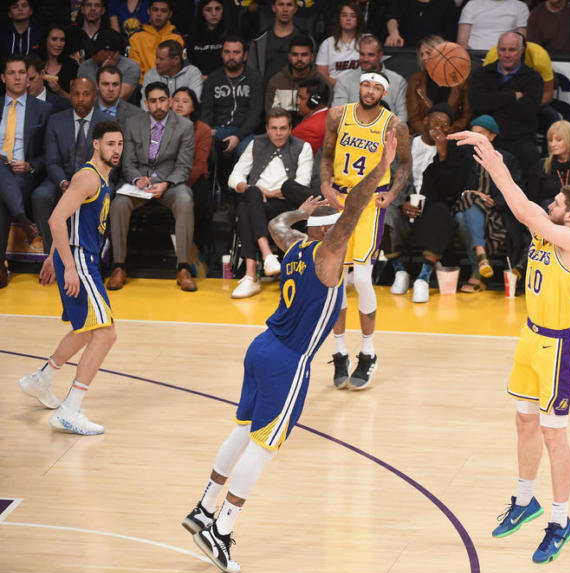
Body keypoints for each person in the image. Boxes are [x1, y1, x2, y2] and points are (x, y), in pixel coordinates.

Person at [183, 130, 397, 573]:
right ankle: (220, 529)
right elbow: (356, 204)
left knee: (243, 431)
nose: (345, 227)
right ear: (333, 234)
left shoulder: (296, 244)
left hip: (261, 347)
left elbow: (278, 224)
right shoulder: (329, 256)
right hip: (288, 362)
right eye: (339, 227)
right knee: (263, 448)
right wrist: (379, 169)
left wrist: (301, 211)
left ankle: (204, 507)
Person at [449, 127, 570, 565]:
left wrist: (495, 164)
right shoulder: (547, 227)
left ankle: (560, 519)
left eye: (558, 204)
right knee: (524, 423)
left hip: (558, 348)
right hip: (530, 338)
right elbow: (524, 207)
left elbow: (527, 212)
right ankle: (525, 500)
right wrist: (495, 163)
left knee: (555, 436)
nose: (551, 204)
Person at [17, 120, 124, 435]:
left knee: (85, 330)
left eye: (119, 144)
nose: (116, 150)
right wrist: (69, 264)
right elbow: (55, 218)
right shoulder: (88, 177)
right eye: (110, 144)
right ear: (96, 144)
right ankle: (70, 409)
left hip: (76, 258)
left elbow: (71, 217)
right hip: (79, 260)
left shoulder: (99, 177)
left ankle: (42, 378)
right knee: (106, 334)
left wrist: (53, 257)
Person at [320, 70, 412, 390]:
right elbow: (328, 152)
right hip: (340, 201)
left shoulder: (393, 125)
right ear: (358, 86)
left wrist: (394, 193)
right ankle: (340, 351)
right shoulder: (337, 115)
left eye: (377, 87)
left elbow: (406, 163)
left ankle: (369, 352)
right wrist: (323, 183)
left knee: (360, 278)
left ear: (384, 93)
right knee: (334, 282)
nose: (370, 91)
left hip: (369, 204)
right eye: (366, 84)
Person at [107, 82, 197, 292]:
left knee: (185, 199)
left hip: (169, 183)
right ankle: (118, 266)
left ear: (170, 101)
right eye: (153, 101)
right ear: (146, 103)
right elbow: (126, 162)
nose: (158, 106)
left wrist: (166, 184)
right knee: (119, 203)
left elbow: (184, 166)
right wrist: (137, 179)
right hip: (138, 184)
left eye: (163, 100)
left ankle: (183, 267)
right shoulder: (132, 123)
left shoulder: (184, 126)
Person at [227, 108, 314, 298]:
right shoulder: (256, 143)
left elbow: (301, 183)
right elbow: (235, 175)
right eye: (274, 128)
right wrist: (250, 188)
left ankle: (252, 275)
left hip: (286, 205)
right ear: (267, 128)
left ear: (291, 128)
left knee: (246, 206)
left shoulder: (303, 147)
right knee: (250, 195)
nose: (278, 133)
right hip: (258, 203)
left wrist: (272, 192)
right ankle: (266, 258)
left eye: (283, 128)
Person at [388, 103, 460, 303]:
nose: (438, 127)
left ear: (449, 129)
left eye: (444, 124)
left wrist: (443, 153)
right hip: (401, 204)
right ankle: (399, 271)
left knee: (441, 212)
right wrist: (402, 202)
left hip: (431, 207)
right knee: (383, 212)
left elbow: (451, 190)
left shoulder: (453, 152)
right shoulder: (406, 145)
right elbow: (390, 177)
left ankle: (423, 277)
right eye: (435, 120)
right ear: (425, 120)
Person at [451, 114, 523, 293]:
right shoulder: (467, 158)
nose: (474, 139)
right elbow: (455, 190)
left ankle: (478, 269)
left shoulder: (507, 159)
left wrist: (494, 202)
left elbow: (518, 190)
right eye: (472, 134)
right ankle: (480, 262)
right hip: (471, 209)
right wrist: (475, 195)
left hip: (498, 213)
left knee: (463, 216)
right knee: (466, 205)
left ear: (492, 136)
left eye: (480, 134)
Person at [0, 54, 53, 289]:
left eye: (22, 72)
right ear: (3, 78)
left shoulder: (42, 109)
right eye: (12, 73)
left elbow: (47, 153)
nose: (18, 77)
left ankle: (1, 267)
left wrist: (30, 165)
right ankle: (23, 218)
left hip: (23, 175)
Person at [32, 78, 99, 255]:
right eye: (76, 94)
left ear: (94, 96)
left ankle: (92, 255)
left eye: (86, 94)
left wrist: (84, 185)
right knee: (40, 196)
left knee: (107, 194)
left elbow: (109, 163)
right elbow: (51, 161)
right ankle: (52, 254)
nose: (80, 99)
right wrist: (63, 183)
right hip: (62, 178)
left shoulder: (105, 122)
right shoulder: (56, 120)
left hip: (93, 180)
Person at [469, 31, 543, 183]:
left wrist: (493, 102)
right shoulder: (482, 74)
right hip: (485, 137)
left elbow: (527, 111)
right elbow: (478, 104)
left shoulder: (533, 78)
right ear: (497, 50)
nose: (507, 54)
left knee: (530, 155)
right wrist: (512, 97)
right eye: (503, 50)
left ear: (522, 51)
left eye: (512, 50)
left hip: (519, 137)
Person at [200, 35, 261, 160]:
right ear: (222, 54)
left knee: (247, 153)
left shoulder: (254, 79)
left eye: (236, 52)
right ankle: (213, 180)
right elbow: (206, 111)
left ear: (244, 55)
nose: (231, 57)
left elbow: (255, 113)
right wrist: (206, 131)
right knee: (204, 150)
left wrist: (238, 136)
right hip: (217, 130)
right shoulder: (212, 79)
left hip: (244, 131)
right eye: (227, 52)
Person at [170, 87, 213, 259]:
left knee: (200, 194)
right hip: (166, 177)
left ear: (194, 107)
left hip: (192, 178)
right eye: (176, 100)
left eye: (185, 101)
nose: (179, 105)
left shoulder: (202, 129)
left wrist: (177, 183)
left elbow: (199, 164)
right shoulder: (161, 126)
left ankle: (196, 254)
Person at [331, 34, 408, 123]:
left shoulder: (398, 81)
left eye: (371, 55)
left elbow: (402, 116)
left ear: (380, 55)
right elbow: (337, 115)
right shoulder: (344, 81)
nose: (365, 59)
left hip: (386, 132)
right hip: (352, 133)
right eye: (362, 54)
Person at [406, 34, 470, 135]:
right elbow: (413, 118)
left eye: (428, 53)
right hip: (422, 136)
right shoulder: (415, 80)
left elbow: (466, 117)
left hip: (452, 135)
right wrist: (430, 134)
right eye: (422, 54)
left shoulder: (460, 80)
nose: (424, 58)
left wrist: (447, 132)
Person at [531, 120, 570, 210]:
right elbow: (533, 199)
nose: (553, 144)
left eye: (558, 140)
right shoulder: (541, 165)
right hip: (548, 212)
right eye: (550, 140)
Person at [248, 0, 309, 83]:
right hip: (266, 93)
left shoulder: (306, 39)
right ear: (273, 8)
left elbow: (311, 72)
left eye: (289, 5)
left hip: (296, 92)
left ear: (295, 8)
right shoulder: (259, 40)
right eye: (281, 4)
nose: (285, 9)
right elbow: (251, 73)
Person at [78, 29, 141, 102]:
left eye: (94, 51)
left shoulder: (131, 68)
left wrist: (104, 72)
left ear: (110, 54)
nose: (91, 54)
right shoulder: (85, 66)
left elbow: (117, 99)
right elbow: (82, 98)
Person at [128, 0, 185, 81]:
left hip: (170, 85)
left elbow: (177, 68)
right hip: (142, 87)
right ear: (148, 11)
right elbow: (135, 70)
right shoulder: (136, 37)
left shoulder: (177, 38)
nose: (159, 14)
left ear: (170, 14)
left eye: (163, 11)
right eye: (155, 10)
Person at [264, 34, 319, 116]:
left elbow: (323, 117)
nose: (299, 59)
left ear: (312, 57)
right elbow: (271, 116)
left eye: (304, 55)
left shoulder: (321, 83)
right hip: (282, 127)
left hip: (310, 127)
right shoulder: (275, 82)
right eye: (295, 54)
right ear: (289, 56)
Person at [141, 39, 204, 107]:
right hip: (157, 117)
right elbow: (146, 105)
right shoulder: (150, 75)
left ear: (176, 60)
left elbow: (192, 103)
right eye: (156, 58)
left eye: (161, 59)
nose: (156, 62)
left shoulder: (193, 73)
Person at [315, 1, 361, 88]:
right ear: (339, 18)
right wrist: (342, 87)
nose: (348, 19)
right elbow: (321, 75)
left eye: (353, 16)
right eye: (344, 15)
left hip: (361, 91)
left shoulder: (366, 41)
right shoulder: (327, 44)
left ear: (358, 19)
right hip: (334, 90)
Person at [457, 0, 529, 51]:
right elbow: (462, 41)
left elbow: (522, 41)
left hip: (507, 57)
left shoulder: (520, 6)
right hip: (475, 57)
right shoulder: (472, 4)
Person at [385, 0, 457, 48]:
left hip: (434, 52)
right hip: (404, 50)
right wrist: (393, 32)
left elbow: (449, 34)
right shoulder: (400, 2)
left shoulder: (447, 3)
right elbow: (392, 18)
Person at [185, 0, 227, 76]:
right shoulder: (193, 35)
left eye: (217, 9)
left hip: (225, 80)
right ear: (202, 12)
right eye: (208, 10)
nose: (214, 13)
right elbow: (190, 62)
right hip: (199, 79)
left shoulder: (230, 34)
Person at [38, 25, 78, 101]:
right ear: (45, 40)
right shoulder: (35, 65)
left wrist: (60, 91)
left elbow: (76, 101)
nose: (59, 44)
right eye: (54, 39)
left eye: (62, 40)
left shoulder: (72, 65)